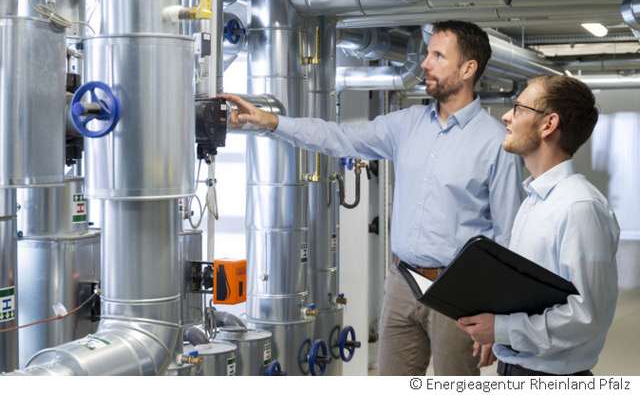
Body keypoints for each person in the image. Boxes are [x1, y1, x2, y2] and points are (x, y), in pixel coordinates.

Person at [222, 20, 522, 376]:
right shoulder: (406, 124)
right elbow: (338, 136)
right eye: (427, 54)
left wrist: (498, 315)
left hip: (460, 292)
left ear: (468, 69)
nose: (424, 63)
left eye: (438, 56)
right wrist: (272, 122)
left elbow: (507, 237)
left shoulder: (495, 142)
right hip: (403, 281)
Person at [457, 75, 620, 376]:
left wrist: (503, 327)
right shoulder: (533, 199)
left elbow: (586, 316)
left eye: (518, 108)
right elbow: (527, 290)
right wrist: (499, 331)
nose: (506, 116)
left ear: (548, 124)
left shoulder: (579, 207)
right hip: (515, 365)